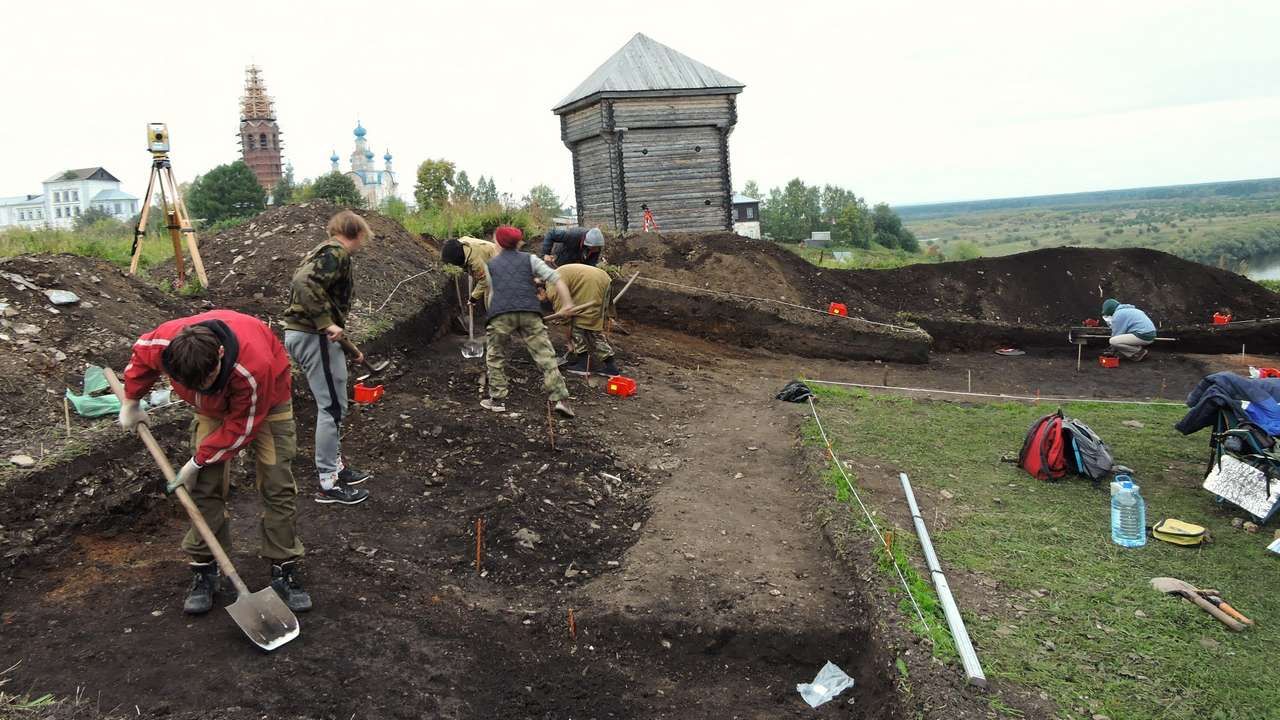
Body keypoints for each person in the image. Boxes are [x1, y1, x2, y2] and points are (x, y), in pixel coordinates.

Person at [119, 309, 311, 614]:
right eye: (193, 384)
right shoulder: (164, 344)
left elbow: (242, 428)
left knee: (276, 483)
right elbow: (141, 356)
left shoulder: (253, 366)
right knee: (205, 487)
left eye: (207, 380)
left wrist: (195, 461)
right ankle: (205, 567)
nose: (202, 388)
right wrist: (132, 400)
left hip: (267, 401)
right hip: (211, 411)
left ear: (220, 353)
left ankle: (283, 566)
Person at [283, 210, 373, 505]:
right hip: (313, 335)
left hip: (312, 335)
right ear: (357, 233)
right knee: (332, 407)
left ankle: (336, 467)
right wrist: (325, 322)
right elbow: (302, 281)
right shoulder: (336, 253)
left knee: (335, 404)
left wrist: (342, 338)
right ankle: (327, 483)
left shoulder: (323, 251)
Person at [482, 225, 578, 417]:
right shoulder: (530, 259)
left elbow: (492, 292)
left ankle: (498, 399)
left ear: (498, 242)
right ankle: (561, 399)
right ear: (519, 243)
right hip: (530, 312)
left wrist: (491, 314)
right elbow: (556, 278)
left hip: (501, 313)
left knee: (495, 356)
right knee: (546, 356)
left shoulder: (491, 265)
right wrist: (567, 304)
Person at [538, 263, 619, 376]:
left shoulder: (552, 289)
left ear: (541, 290)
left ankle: (584, 364)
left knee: (582, 325)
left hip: (591, 282)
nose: (541, 301)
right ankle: (609, 366)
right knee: (589, 324)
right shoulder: (553, 278)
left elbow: (566, 320)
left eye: (538, 298)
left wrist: (569, 342)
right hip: (601, 278)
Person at [440, 235, 500, 305]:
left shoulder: (475, 261)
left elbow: (484, 280)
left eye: (454, 263)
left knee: (491, 300)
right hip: (489, 260)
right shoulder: (461, 244)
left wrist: (473, 298)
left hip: (500, 265)